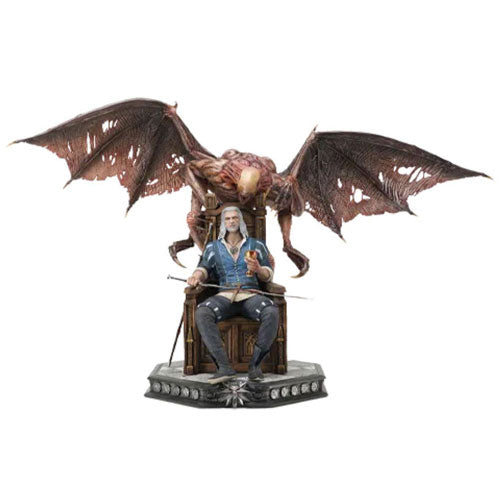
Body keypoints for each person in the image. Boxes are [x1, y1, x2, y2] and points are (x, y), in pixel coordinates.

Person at [187, 206, 279, 384]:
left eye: (235, 218)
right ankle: (224, 367)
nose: (231, 221)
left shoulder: (256, 245)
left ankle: (255, 366)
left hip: (250, 295)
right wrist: (195, 277)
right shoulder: (213, 247)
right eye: (227, 218)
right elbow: (203, 268)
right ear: (223, 223)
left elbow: (268, 274)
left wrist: (258, 269)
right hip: (225, 295)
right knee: (202, 312)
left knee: (272, 311)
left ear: (241, 221)